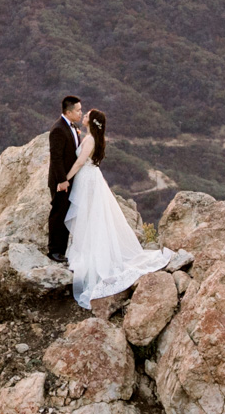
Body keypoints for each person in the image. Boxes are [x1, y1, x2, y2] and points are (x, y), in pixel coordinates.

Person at [63, 108, 174, 310]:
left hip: (87, 180)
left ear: (92, 121)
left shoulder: (89, 140)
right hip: (92, 178)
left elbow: (80, 162)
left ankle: (94, 257)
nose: (84, 116)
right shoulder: (92, 138)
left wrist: (65, 178)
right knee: (93, 218)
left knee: (90, 218)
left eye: (87, 115)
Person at [46, 95, 84, 262]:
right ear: (68, 112)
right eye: (78, 110)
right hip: (61, 181)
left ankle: (62, 250)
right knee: (58, 213)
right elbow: (56, 158)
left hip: (70, 179)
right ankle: (54, 250)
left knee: (66, 213)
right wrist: (62, 180)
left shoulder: (72, 126)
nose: (81, 113)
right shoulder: (58, 129)